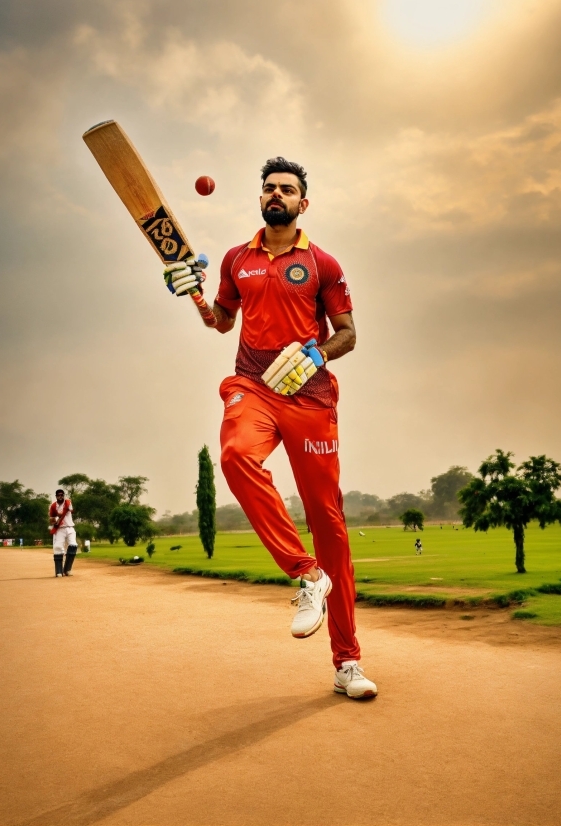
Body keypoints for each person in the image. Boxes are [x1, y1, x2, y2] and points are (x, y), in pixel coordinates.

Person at [162, 157, 377, 699]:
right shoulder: (238, 259)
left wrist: (317, 356)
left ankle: (346, 662)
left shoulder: (323, 264)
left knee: (330, 526)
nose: (275, 194)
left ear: (303, 203)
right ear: (260, 200)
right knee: (235, 456)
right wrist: (194, 293)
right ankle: (306, 575)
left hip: (308, 396)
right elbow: (222, 320)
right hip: (253, 385)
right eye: (268, 189)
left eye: (286, 189)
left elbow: (348, 333)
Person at [49, 488, 78, 577]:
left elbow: (70, 509)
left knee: (73, 546)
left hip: (69, 527)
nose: (60, 497)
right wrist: (56, 519)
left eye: (62, 495)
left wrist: (63, 512)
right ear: (56, 496)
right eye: (58, 495)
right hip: (60, 529)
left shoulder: (68, 503)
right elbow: (51, 519)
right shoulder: (53, 506)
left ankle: (67, 569)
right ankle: (58, 571)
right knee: (58, 548)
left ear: (63, 495)